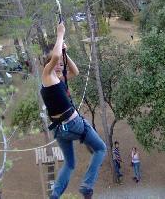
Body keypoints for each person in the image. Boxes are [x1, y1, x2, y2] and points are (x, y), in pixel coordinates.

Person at [41, 22, 106, 199]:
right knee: (101, 149)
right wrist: (60, 34)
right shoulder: (47, 76)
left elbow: (75, 71)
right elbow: (54, 57)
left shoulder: (57, 80)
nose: (59, 65)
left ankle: (55, 195)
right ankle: (86, 186)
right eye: (56, 63)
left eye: (61, 64)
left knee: (69, 164)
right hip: (73, 125)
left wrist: (65, 54)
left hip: (60, 130)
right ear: (47, 65)